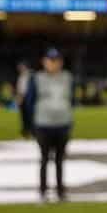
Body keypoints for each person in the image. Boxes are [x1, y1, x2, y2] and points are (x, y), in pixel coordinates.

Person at [23, 47, 74, 202]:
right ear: (44, 62)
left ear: (61, 62)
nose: (53, 63)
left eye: (56, 60)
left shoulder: (67, 77)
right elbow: (29, 102)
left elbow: (70, 100)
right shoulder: (37, 78)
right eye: (50, 60)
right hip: (43, 124)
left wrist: (69, 121)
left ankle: (60, 190)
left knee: (60, 160)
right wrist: (30, 125)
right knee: (44, 159)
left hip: (62, 124)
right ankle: (43, 190)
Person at [15, 61, 32, 138]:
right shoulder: (21, 76)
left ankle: (30, 131)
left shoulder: (29, 75)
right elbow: (19, 88)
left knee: (29, 116)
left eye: (21, 67)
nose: (19, 68)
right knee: (23, 116)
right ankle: (25, 131)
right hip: (22, 98)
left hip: (28, 98)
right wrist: (18, 98)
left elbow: (26, 88)